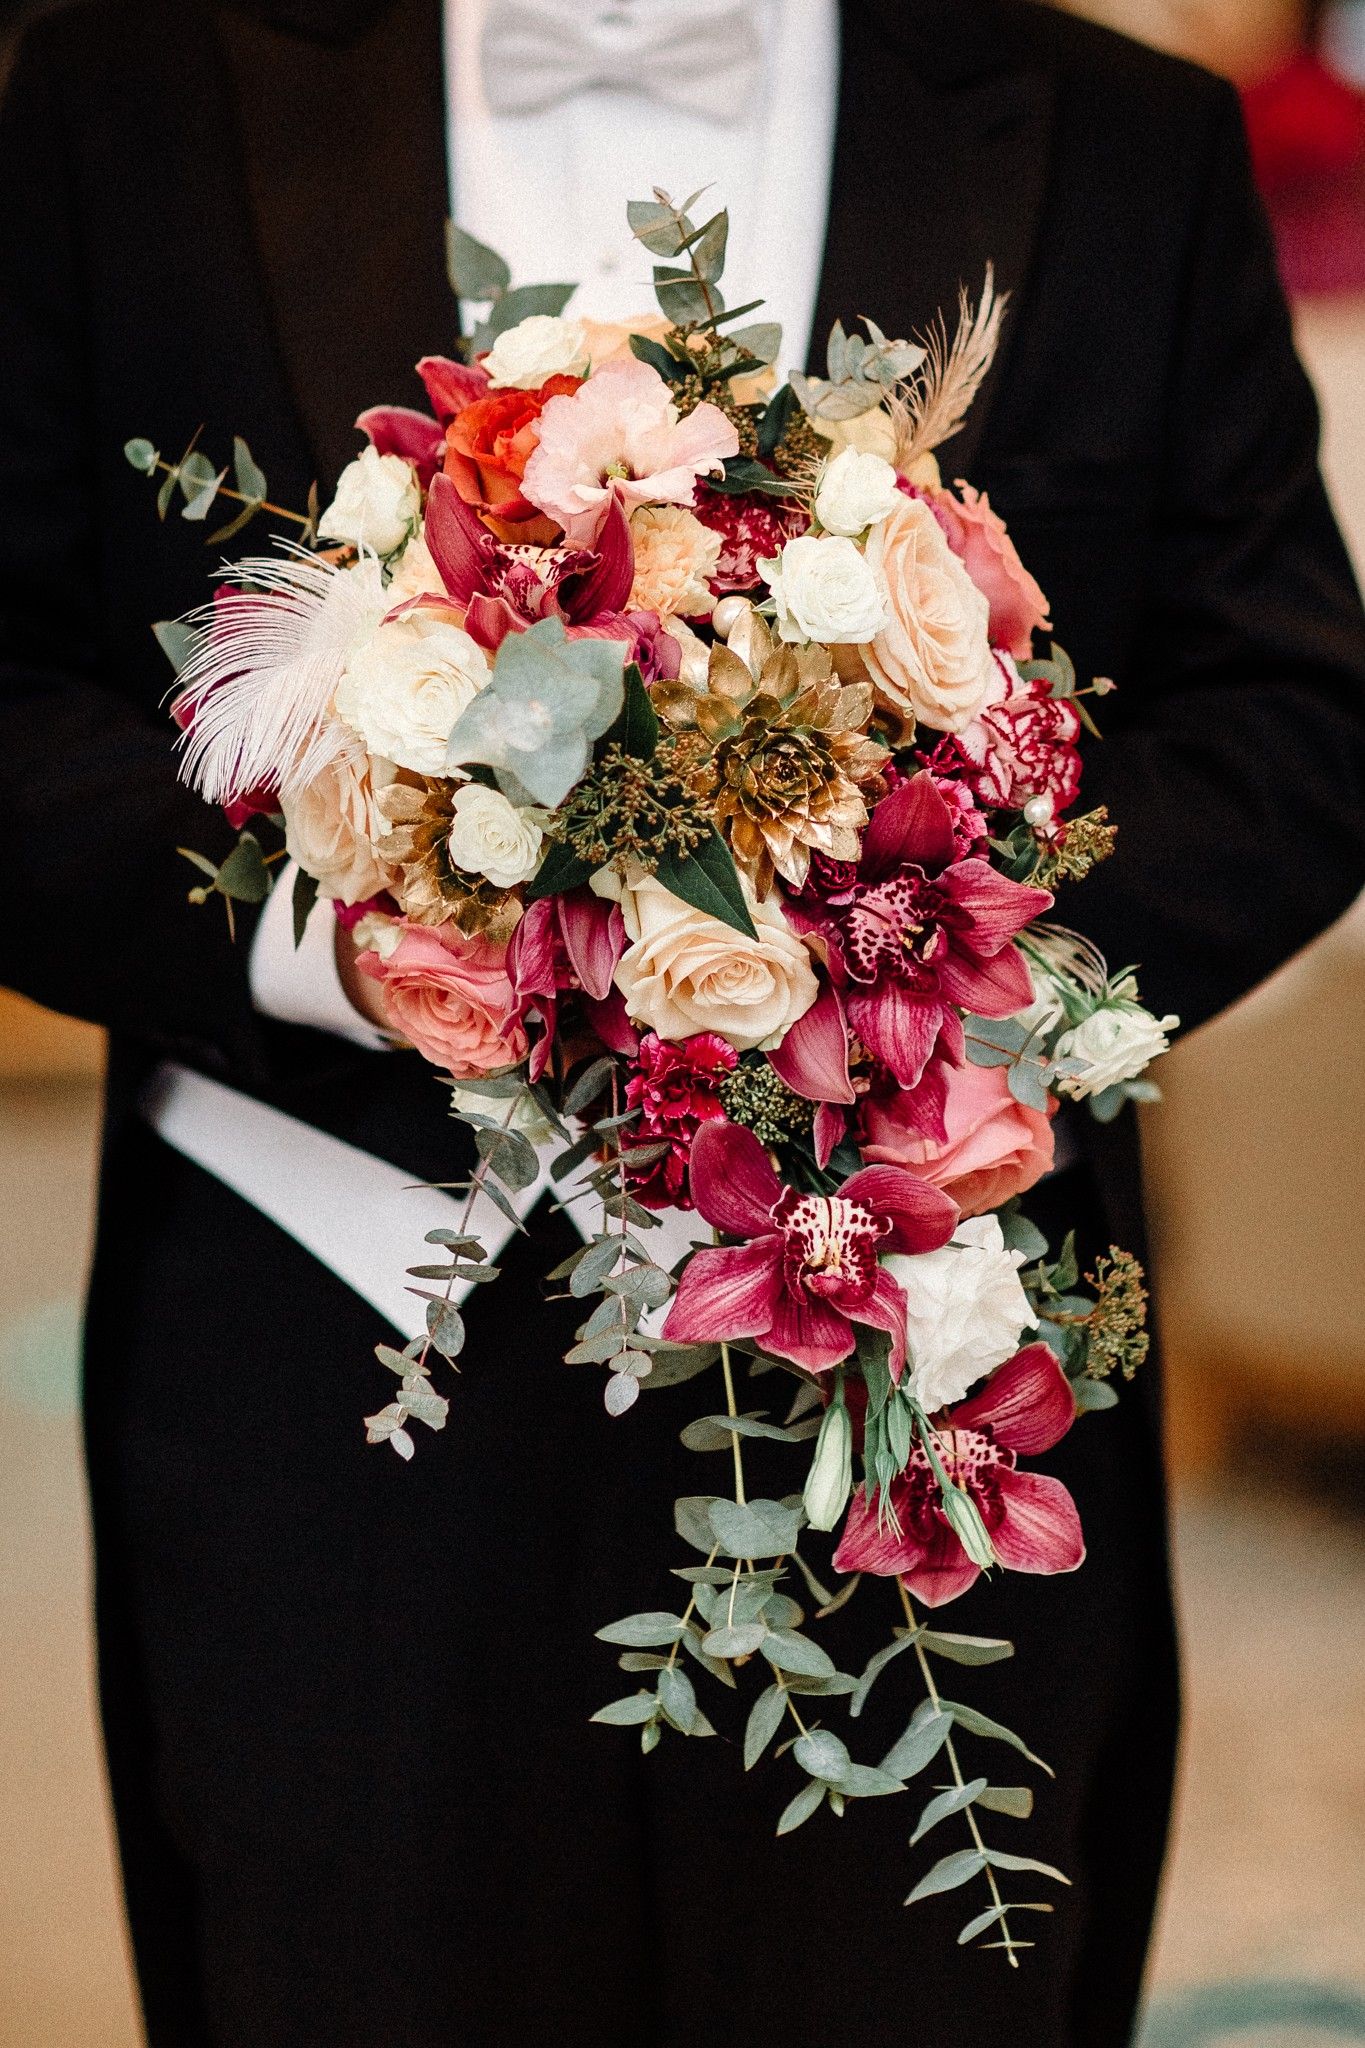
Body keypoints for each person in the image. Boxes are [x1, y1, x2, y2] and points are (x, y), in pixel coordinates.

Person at [2, 2, 1364, 2044]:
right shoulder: (129, 97)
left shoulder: (1121, 138)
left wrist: (912, 957)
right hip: (321, 1365)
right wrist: (339, 940)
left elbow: (1284, 726)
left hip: (933, 1373)